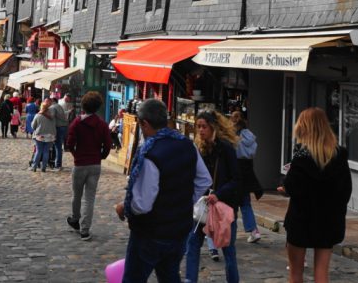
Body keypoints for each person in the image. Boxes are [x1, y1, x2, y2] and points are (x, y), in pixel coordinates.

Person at [113, 99, 211, 283]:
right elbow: (204, 179)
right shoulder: (187, 144)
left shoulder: (150, 153)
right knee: (170, 276)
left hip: (150, 233)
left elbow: (142, 205)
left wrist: (124, 207)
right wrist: (184, 201)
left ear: (145, 123)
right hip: (179, 229)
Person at [280, 107, 352, 283]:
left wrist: (285, 189)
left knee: (296, 273)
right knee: (322, 273)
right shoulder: (338, 156)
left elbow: (292, 186)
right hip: (328, 221)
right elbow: (345, 191)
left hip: (301, 220)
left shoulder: (301, 157)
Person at [184, 111, 242, 283]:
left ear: (213, 127)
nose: (201, 130)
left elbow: (237, 179)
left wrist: (219, 194)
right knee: (192, 244)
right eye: (198, 127)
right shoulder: (199, 148)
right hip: (203, 207)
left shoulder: (225, 148)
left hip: (224, 207)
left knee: (228, 250)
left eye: (204, 127)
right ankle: (190, 280)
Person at [65, 91, 112, 241]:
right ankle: (85, 230)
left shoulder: (77, 123)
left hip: (80, 164)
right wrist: (101, 156)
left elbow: (69, 143)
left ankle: (75, 219)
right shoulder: (102, 124)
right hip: (95, 164)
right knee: (89, 198)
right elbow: (108, 144)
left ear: (83, 106)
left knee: (77, 195)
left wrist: (76, 155)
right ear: (98, 107)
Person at [230, 110, 264, 243]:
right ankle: (254, 230)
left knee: (231, 203)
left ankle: (230, 231)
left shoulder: (232, 136)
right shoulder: (249, 135)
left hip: (235, 169)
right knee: (245, 202)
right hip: (247, 170)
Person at [30, 99, 56, 172]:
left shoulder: (38, 115)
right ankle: (43, 167)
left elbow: (33, 126)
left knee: (38, 151)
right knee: (46, 152)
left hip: (40, 136)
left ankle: (34, 167)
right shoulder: (52, 116)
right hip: (50, 136)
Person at [49, 95, 69, 170]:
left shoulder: (52, 107)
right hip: (63, 127)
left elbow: (51, 117)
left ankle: (58, 165)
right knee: (58, 146)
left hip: (58, 127)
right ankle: (57, 163)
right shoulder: (59, 106)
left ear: (52, 101)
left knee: (57, 146)